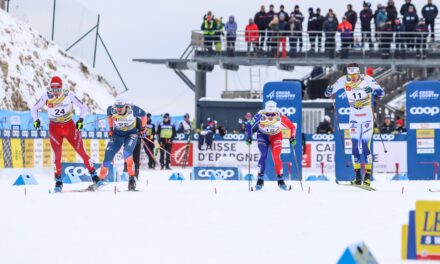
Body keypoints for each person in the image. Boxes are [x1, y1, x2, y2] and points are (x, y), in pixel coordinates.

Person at [31, 76, 96, 192]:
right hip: (54, 129)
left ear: (62, 88)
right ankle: (58, 181)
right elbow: (34, 108)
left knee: (81, 150)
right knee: (57, 155)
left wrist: (81, 120)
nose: (55, 92)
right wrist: (36, 120)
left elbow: (83, 106)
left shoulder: (68, 94)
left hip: (69, 127)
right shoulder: (46, 96)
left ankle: (94, 176)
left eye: (58, 89)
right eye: (53, 89)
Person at [325, 63, 385, 186]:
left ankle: (367, 177)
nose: (352, 78)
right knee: (354, 146)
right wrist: (328, 91)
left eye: (355, 75)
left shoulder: (367, 79)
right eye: (350, 75)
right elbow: (328, 93)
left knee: (364, 145)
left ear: (358, 73)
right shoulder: (343, 80)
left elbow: (382, 93)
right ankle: (357, 176)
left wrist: (373, 90)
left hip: (367, 117)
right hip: (354, 116)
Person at [89, 95, 146, 191]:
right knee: (107, 158)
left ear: (126, 106)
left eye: (121, 107)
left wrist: (143, 128)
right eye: (117, 107)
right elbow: (109, 117)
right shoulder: (111, 110)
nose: (119, 109)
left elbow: (144, 115)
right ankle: (100, 180)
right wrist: (111, 129)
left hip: (131, 135)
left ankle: (132, 179)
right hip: (117, 135)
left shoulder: (133, 109)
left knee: (127, 154)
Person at [246, 100, 297, 191]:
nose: (270, 117)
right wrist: (249, 137)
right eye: (267, 114)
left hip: (276, 136)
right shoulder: (259, 115)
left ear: (275, 111)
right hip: (263, 135)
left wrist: (292, 137)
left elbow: (292, 127)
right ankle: (260, 180)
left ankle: (280, 180)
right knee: (263, 155)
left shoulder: (280, 116)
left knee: (276, 156)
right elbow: (249, 126)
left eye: (272, 114)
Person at [123, 104, 147, 180]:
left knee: (136, 158)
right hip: (127, 141)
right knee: (127, 157)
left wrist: (140, 132)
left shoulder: (137, 120)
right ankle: (126, 173)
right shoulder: (123, 119)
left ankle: (136, 175)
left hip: (136, 141)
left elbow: (142, 131)